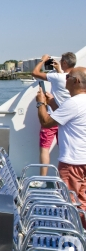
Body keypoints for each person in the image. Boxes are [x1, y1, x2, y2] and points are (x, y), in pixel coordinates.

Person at [36, 66, 86, 219]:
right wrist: (52, 104)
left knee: (67, 203)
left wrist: (41, 103)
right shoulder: (79, 103)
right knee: (82, 201)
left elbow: (45, 121)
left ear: (76, 81)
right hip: (83, 161)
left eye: (68, 77)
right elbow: (69, 119)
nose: (65, 79)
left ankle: (71, 238)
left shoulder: (74, 103)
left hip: (72, 163)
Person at [31, 52, 76, 181]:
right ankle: (65, 178)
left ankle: (43, 179)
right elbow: (63, 79)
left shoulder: (58, 77)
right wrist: (58, 69)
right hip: (67, 119)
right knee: (64, 147)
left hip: (53, 116)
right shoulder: (71, 79)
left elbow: (35, 73)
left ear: (65, 63)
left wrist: (42, 60)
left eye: (62, 61)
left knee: (45, 148)